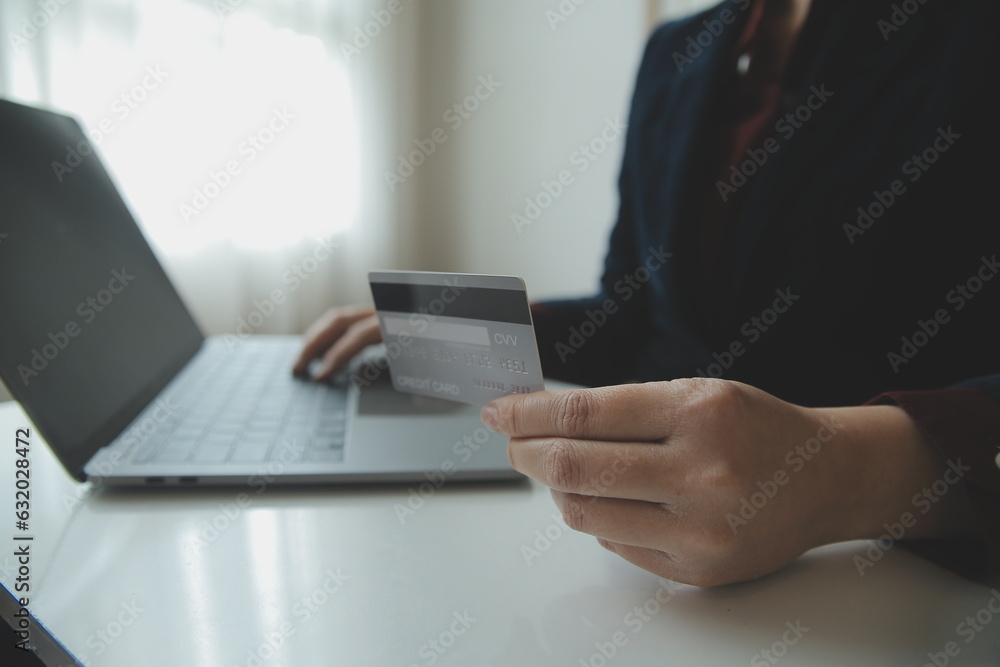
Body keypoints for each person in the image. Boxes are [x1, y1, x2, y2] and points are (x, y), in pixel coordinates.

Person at [293, 0, 1000, 586]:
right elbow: (638, 308)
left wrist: (843, 474)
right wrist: (463, 332)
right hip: (658, 578)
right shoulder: (676, 53)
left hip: (902, 586)